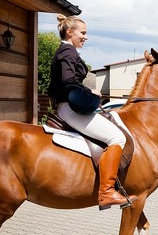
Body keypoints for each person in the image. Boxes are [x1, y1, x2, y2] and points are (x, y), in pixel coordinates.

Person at [48, 14, 136, 211]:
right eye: (83, 33)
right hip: (70, 109)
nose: (86, 37)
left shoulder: (67, 52)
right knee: (116, 138)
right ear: (70, 32)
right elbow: (69, 81)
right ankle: (106, 193)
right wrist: (91, 92)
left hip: (68, 107)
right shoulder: (67, 52)